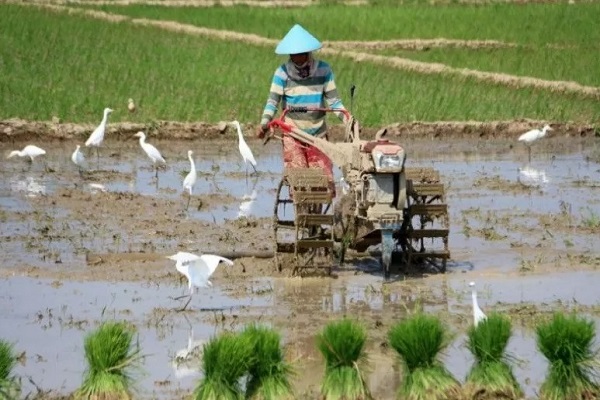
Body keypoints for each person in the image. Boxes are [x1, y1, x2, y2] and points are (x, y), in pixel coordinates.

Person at [257, 24, 350, 197]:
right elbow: (273, 101)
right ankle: (302, 215)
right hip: (293, 132)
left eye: (300, 53)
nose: (297, 57)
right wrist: (264, 122)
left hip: (318, 134)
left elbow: (334, 101)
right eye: (294, 54)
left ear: (308, 52)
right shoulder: (282, 73)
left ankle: (317, 216)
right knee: (299, 179)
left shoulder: (323, 70)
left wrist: (348, 119)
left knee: (323, 181)